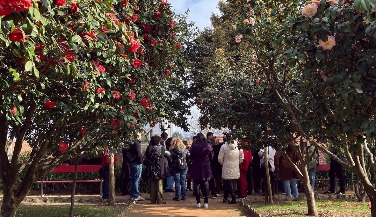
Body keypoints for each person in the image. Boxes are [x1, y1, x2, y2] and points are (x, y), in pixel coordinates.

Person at [190, 133, 213, 208]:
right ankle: (206, 202)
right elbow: (211, 157)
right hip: (205, 165)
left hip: (196, 165)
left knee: (196, 184)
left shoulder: (194, 146)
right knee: (205, 183)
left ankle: (198, 202)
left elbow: (191, 157)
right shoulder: (207, 146)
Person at [218, 138, 244, 204]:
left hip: (226, 166)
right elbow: (241, 158)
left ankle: (232, 197)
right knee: (233, 182)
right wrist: (236, 163)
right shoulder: (239, 147)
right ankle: (228, 197)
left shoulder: (223, 146)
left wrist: (223, 163)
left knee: (227, 182)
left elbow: (220, 158)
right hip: (235, 166)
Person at [144, 135, 167, 204]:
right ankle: (160, 200)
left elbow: (147, 157)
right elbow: (163, 157)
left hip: (152, 168)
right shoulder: (162, 148)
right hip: (159, 168)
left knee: (153, 184)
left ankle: (153, 200)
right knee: (159, 184)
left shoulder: (149, 148)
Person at [127, 132, 145, 201]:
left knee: (133, 179)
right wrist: (141, 161)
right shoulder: (137, 143)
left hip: (132, 163)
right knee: (136, 179)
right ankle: (136, 195)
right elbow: (139, 154)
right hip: (137, 163)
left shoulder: (131, 143)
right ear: (138, 135)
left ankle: (132, 195)